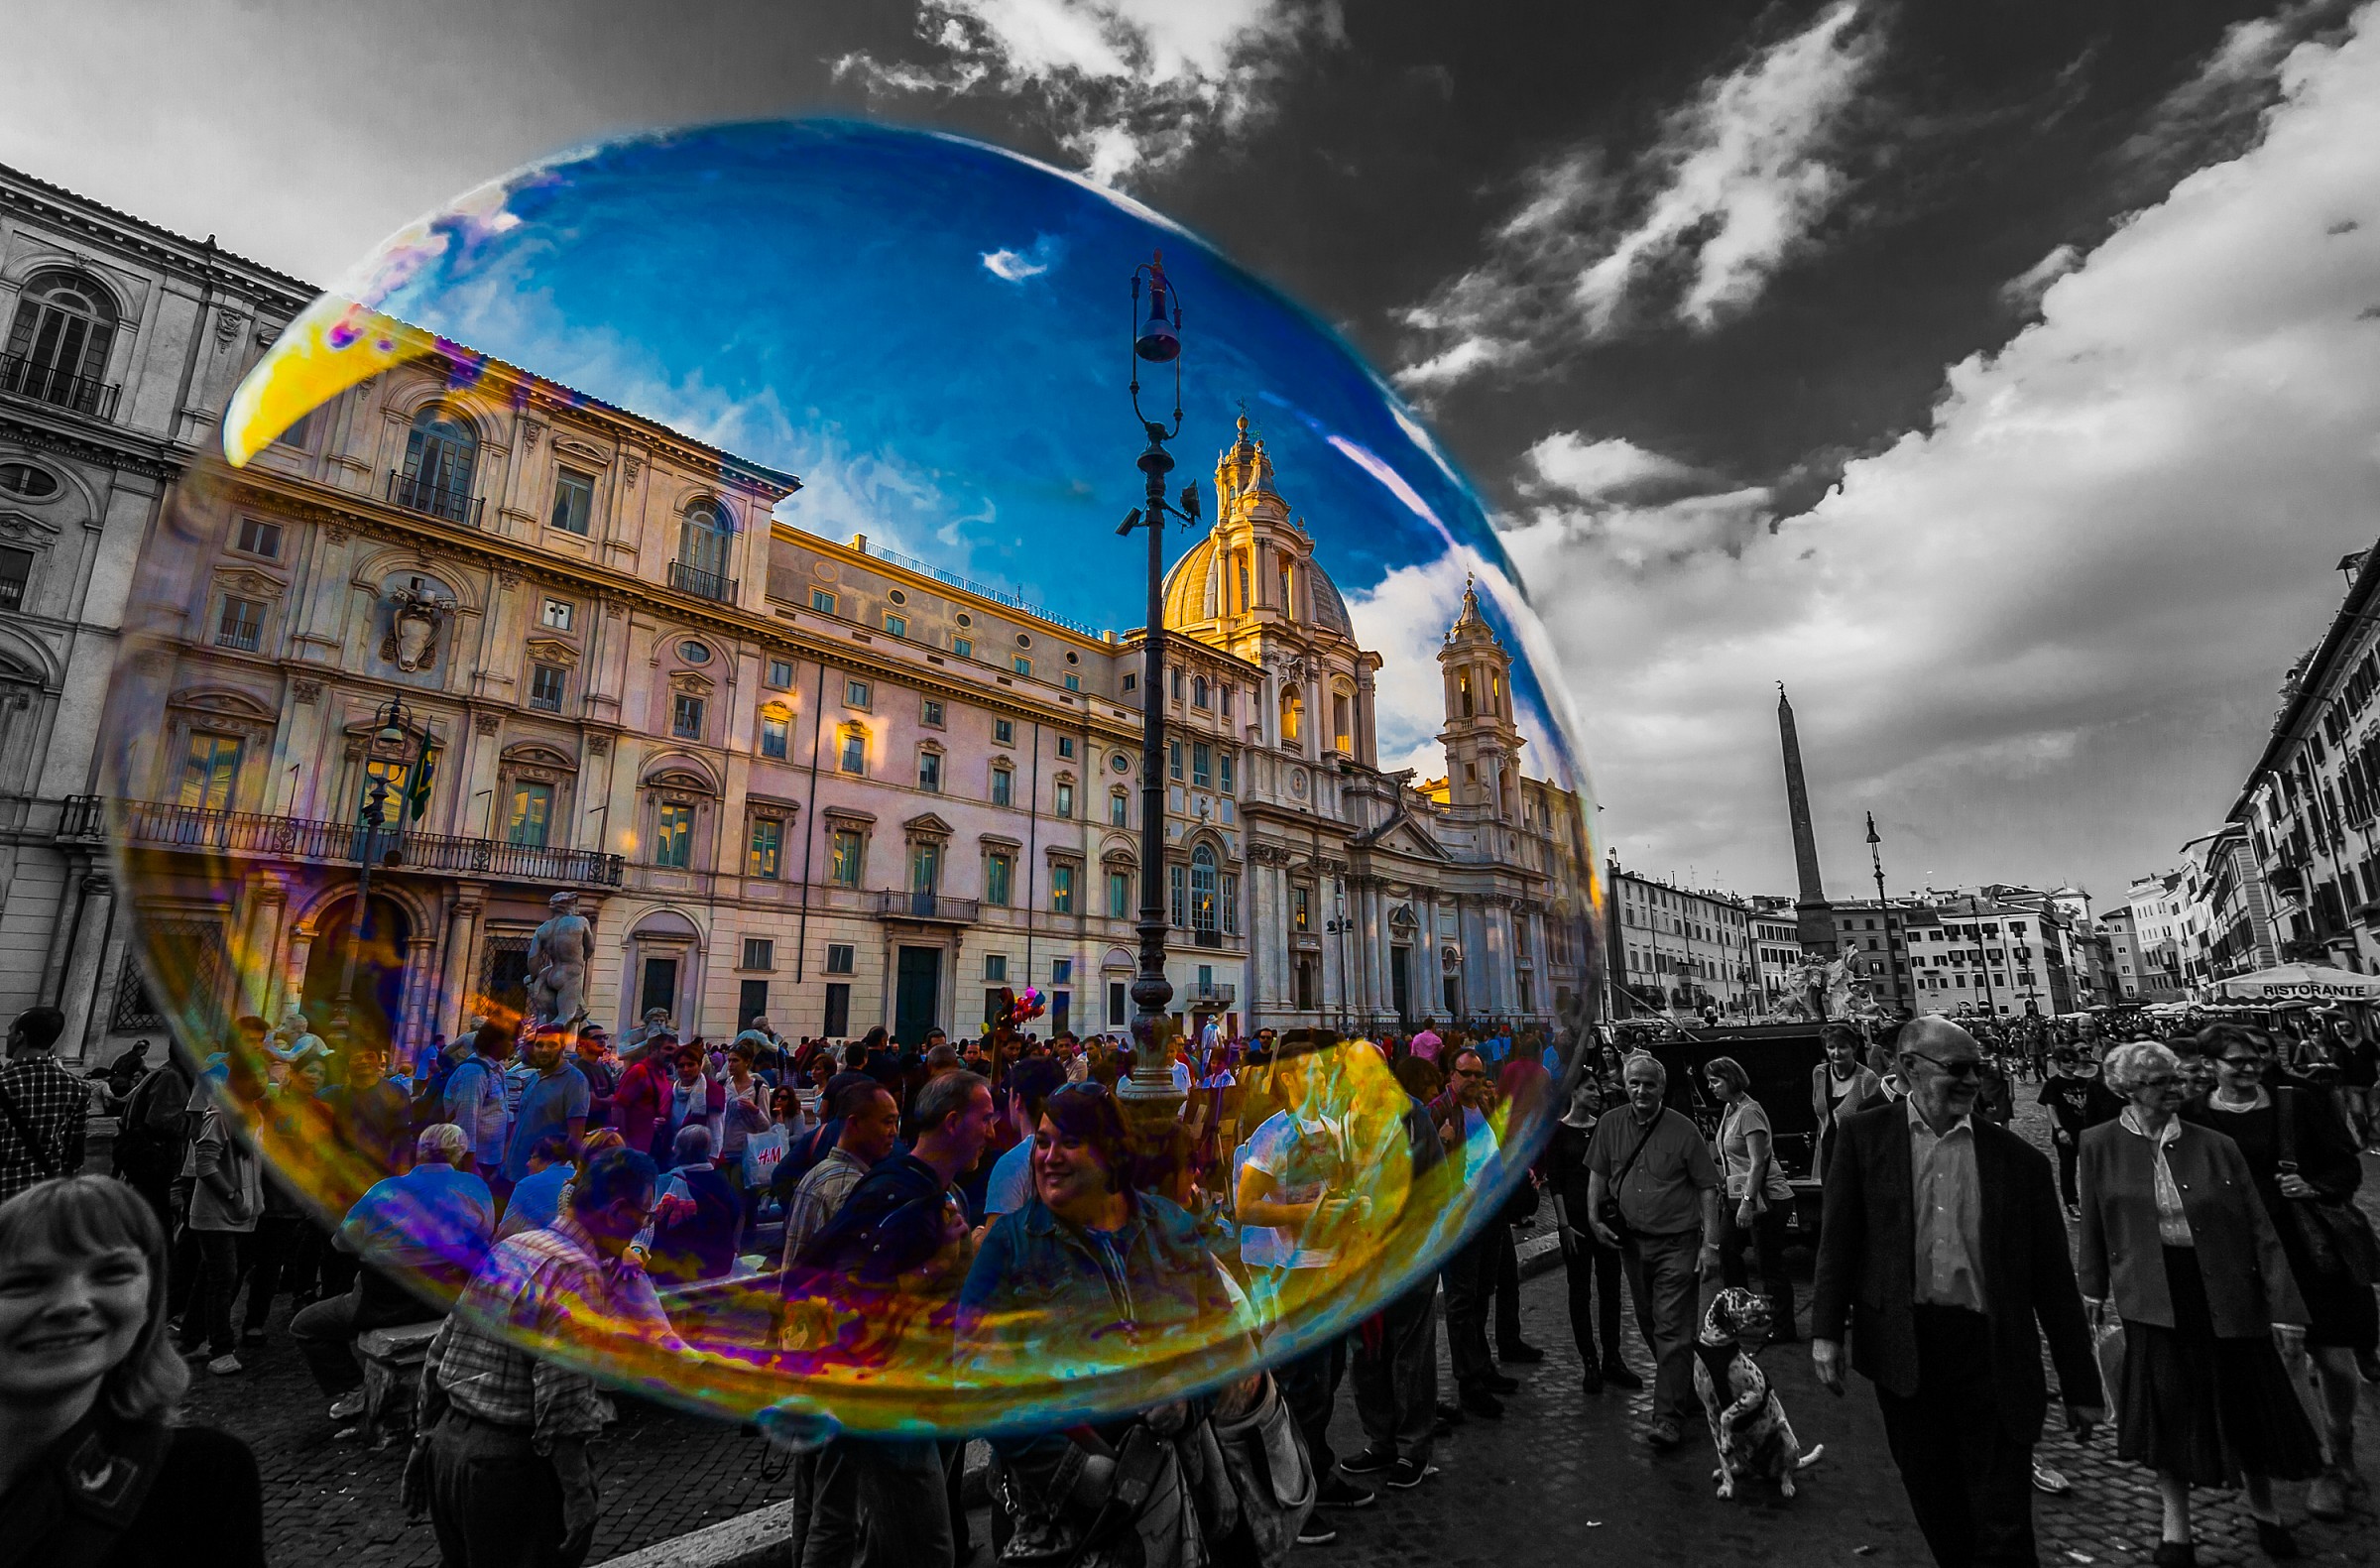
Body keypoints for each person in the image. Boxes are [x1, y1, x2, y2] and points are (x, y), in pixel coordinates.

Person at [1811, 1017, 2103, 1568]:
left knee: (2004, 1517)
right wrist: (1826, 1332)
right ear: (1909, 1068)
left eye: (1979, 1067)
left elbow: (2053, 1283)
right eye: (1958, 1069)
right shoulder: (1864, 1138)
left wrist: (2081, 1381)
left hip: (1990, 1350)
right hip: (1905, 1343)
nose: (1974, 1079)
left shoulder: (2021, 1163)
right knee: (1933, 1495)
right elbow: (1839, 1239)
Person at [960, 1083, 1259, 1565]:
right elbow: (976, 1371)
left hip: (1168, 1480)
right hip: (1052, 1507)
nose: (1049, 1157)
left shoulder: (1170, 1227)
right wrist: (1072, 1469)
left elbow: (1222, 1339)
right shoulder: (1012, 1245)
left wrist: (1188, 1397)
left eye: (1069, 1142)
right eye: (1042, 1142)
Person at [2078, 1039, 2320, 1565]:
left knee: (2246, 1405)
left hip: (2226, 1289)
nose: (2176, 1088)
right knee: (2169, 1412)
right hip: (2153, 1294)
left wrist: (2284, 1307)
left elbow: (2260, 1226)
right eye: (2160, 1081)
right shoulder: (2097, 1143)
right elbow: (2095, 1223)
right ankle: (2175, 1529)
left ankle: (2265, 1510)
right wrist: (2092, 1288)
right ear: (2127, 1089)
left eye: (2176, 1078)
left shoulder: (2215, 1143)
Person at [411, 1146, 659, 1568]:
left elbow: (442, 1348)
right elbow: (561, 1398)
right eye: (645, 1215)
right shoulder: (577, 1271)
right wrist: (579, 1491)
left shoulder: (515, 1246)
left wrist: (423, 1443)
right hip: (505, 1467)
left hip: (449, 1448)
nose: (644, 1226)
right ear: (619, 1211)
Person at [0, 1176, 265, 1567]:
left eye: (112, 1273)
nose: (72, 1304)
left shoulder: (200, 1477)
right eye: (26, 1282)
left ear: (149, 1302)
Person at [796, 1072, 994, 1568]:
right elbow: (850, 1294)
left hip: (915, 1391)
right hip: (887, 1397)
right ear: (953, 1123)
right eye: (985, 1119)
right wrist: (937, 1267)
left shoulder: (942, 1194)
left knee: (863, 1530)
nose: (992, 1132)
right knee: (929, 1550)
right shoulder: (897, 1195)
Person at [2188, 1025, 2376, 1509]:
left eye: (2255, 1058)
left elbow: (2345, 1166)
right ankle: (2323, 1467)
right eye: (2237, 1061)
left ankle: (2342, 1444)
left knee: (2334, 1360)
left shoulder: (2298, 1103)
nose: (2250, 1068)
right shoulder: (2194, 1116)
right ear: (2210, 1066)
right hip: (2247, 1254)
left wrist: (2311, 1186)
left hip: (2309, 1246)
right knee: (2288, 1357)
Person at [1236, 1040, 1375, 1515]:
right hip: (1298, 1274)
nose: (1321, 1079)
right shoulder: (1271, 1135)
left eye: (1322, 1071)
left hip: (1336, 1268)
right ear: (1289, 1080)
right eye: (1310, 1072)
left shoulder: (1335, 1129)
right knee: (1303, 1387)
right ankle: (1291, 1495)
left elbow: (1341, 1188)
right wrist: (1306, 1214)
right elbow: (1244, 1208)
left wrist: (1357, 1208)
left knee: (1329, 1378)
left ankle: (1317, 1469)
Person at [293, 1123, 495, 1420]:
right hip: (446, 1300)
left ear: (419, 1151)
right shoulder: (475, 1188)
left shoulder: (384, 1191)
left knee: (304, 1326)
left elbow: (342, 1242)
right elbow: (484, 1236)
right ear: (459, 1154)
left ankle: (352, 1390)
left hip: (384, 1303)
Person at [1583, 1052, 1721, 1450]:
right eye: (1634, 1084)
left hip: (1677, 1242)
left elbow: (1707, 1188)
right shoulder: (1610, 1124)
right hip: (1631, 1242)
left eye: (1650, 1084)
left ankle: (1667, 1418)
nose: (1641, 1091)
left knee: (1672, 1328)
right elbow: (1598, 1173)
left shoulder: (1684, 1130)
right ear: (1626, 1086)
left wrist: (1710, 1246)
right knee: (1648, 1322)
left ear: (1662, 1088)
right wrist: (1593, 1217)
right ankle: (1685, 1391)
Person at [1346, 1056, 1453, 1490]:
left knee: (1410, 1352)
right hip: (1361, 1256)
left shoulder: (1412, 1115)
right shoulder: (1343, 1118)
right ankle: (1380, 1440)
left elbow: (1438, 1181)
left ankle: (1413, 1448)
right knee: (1365, 1350)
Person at [1430, 1047, 1513, 1419]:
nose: (1472, 1082)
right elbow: (1420, 1162)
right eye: (1465, 1074)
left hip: (1490, 1213)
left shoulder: (1485, 1105)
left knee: (1482, 1295)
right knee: (1461, 1302)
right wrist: (1442, 1141)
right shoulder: (1438, 1111)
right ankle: (1469, 1383)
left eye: (1478, 1075)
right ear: (1451, 1076)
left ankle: (1482, 1367)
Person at [1545, 1074, 1632, 1393]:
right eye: (1591, 1088)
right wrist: (1563, 1224)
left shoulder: (1603, 1127)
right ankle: (1589, 1360)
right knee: (1579, 1291)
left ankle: (1613, 1356)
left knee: (1611, 1290)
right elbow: (1554, 1181)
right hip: (1577, 1224)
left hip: (1606, 1219)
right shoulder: (1557, 1132)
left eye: (1597, 1088)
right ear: (1575, 1093)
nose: (1598, 1094)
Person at [1707, 1054, 1797, 1339]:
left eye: (1715, 1081)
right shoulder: (1730, 1110)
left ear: (1730, 1080)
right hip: (1737, 1195)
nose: (1711, 1087)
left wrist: (1747, 1202)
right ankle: (1741, 1315)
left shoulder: (1749, 1112)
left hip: (1766, 1197)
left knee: (1769, 1263)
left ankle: (1783, 1326)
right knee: (1728, 1252)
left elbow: (1758, 1161)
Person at [1, 1008, 88, 1206]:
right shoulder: (78, 1087)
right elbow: (74, 1154)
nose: (8, 1036)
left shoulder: (5, 1083)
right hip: (45, 1197)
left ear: (20, 1036)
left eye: (10, 1031)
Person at [2037, 1042, 2121, 1217]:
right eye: (2067, 1061)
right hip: (2066, 1131)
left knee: (2093, 1167)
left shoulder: (2084, 1082)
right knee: (2067, 1168)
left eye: (2073, 1061)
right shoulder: (2053, 1084)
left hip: (2086, 1130)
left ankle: (2095, 1200)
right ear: (2058, 1063)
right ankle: (2071, 1202)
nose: (2071, 1064)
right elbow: (2050, 1107)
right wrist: (2059, 1129)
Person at [981, 1056, 1066, 1228]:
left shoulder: (1012, 1164)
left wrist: (977, 1239)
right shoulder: (1077, 1153)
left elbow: (997, 1243)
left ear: (1017, 1100)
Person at [443, 1022, 514, 1195]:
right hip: (476, 1159)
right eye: (512, 1040)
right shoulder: (475, 1071)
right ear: (496, 1042)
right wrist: (470, 1164)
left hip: (490, 1156)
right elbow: (467, 1119)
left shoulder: (497, 1069)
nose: (516, 1045)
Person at [1811, 1023, 1882, 1182]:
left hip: (1856, 1156)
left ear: (1854, 1048)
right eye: (1830, 1047)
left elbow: (1875, 1125)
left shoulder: (1867, 1078)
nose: (1836, 1053)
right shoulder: (1820, 1073)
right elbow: (1821, 1115)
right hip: (1828, 1152)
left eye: (1842, 1047)